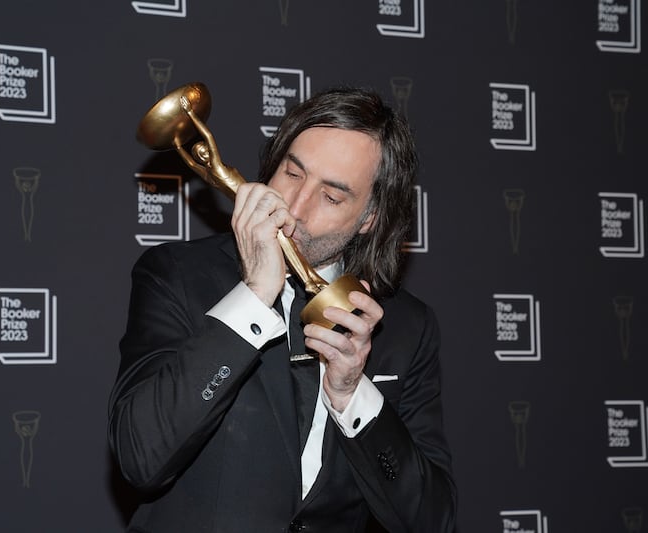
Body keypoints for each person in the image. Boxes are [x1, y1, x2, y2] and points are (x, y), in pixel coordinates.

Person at [108, 86, 457, 532]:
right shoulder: (176, 275)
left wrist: (353, 395)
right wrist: (253, 295)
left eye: (332, 197)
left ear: (370, 217)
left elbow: (431, 519)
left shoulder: (407, 326)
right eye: (292, 174)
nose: (294, 206)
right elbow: (140, 457)